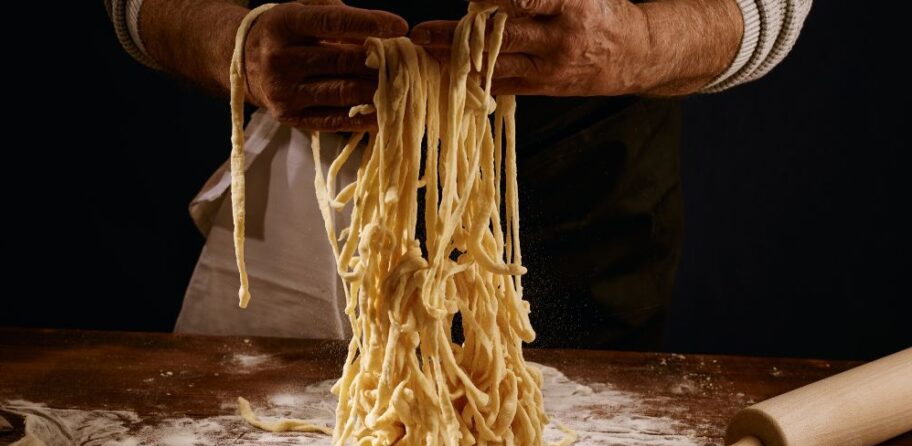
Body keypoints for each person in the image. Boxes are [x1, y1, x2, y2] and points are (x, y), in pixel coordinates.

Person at [104, 0, 810, 348]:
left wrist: (643, 43)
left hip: (580, 197)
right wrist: (238, 47)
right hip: (311, 199)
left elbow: (776, 6)